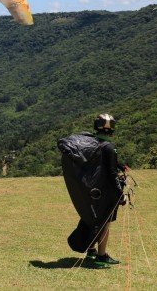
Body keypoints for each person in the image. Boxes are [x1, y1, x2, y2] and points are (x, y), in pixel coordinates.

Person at [58, 113, 126, 266]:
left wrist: (120, 164)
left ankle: (91, 251)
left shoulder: (95, 144)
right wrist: (120, 194)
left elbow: (106, 163)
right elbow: (112, 173)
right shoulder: (109, 147)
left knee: (94, 220)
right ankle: (101, 256)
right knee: (105, 223)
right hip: (105, 192)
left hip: (93, 190)